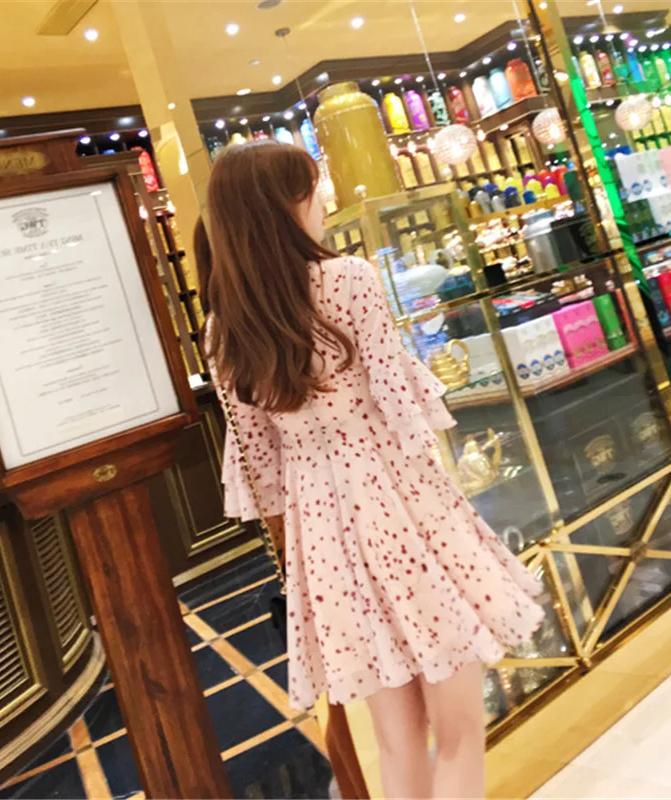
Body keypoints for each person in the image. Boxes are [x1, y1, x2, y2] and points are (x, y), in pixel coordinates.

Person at [196, 141, 544, 799]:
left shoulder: (222, 330)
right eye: (311, 190)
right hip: (399, 505)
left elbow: (260, 466)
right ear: (284, 204)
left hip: (320, 532)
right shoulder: (348, 278)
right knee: (459, 730)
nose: (322, 203)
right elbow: (399, 406)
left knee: (396, 743)